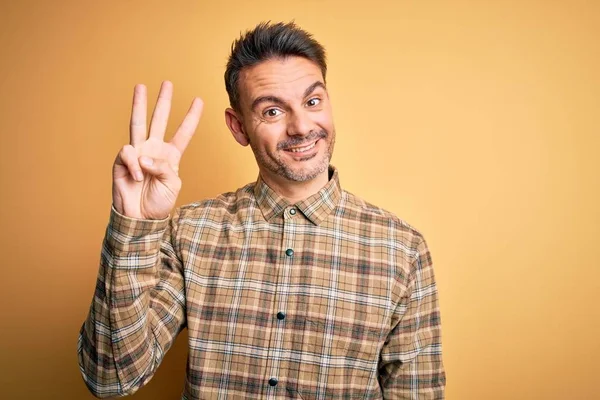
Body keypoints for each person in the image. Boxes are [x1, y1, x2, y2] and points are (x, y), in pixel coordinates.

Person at [78, 21, 445, 399]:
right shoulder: (190, 232)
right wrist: (134, 224)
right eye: (272, 112)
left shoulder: (403, 249)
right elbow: (110, 378)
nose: (302, 127)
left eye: (312, 101)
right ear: (239, 128)